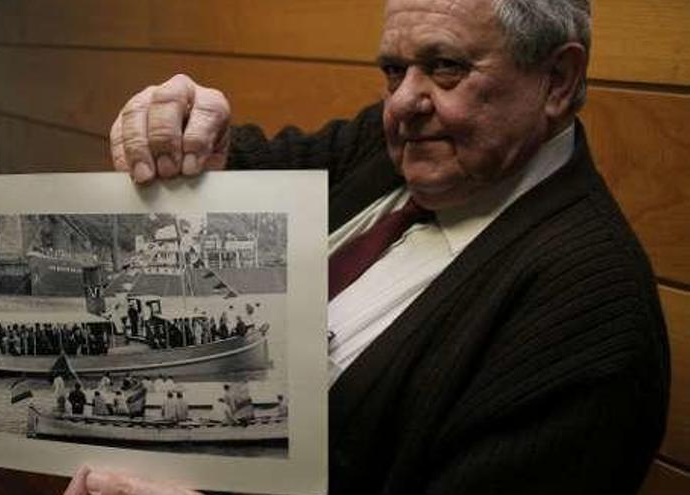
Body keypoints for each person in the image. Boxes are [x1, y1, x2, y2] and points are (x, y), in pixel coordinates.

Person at [67, 0, 669, 493]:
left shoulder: (592, 317)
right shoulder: (389, 148)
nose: (403, 102)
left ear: (556, 80)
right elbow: (259, 173)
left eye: (446, 66)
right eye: (392, 70)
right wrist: (189, 142)